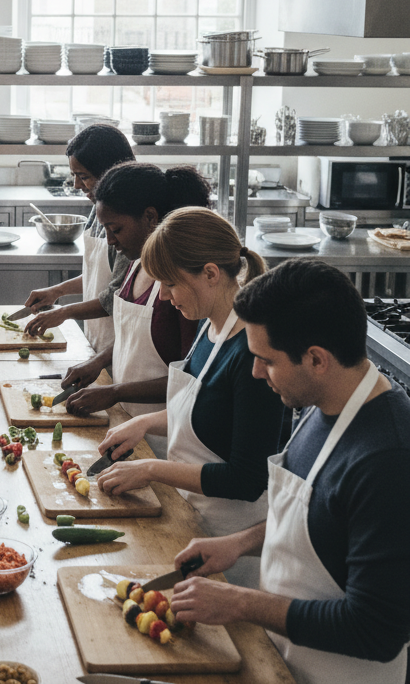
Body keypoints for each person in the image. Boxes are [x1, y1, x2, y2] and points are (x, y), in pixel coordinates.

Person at [169, 259, 410, 684]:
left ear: (316, 359)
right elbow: (320, 518)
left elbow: (376, 630)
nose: (256, 371)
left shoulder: (387, 459)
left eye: (266, 360)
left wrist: (240, 603)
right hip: (282, 662)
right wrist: (240, 542)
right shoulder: (323, 405)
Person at [95, 208, 286, 586]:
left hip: (230, 546)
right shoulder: (209, 326)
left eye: (170, 283)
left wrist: (152, 469)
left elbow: (245, 480)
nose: (163, 296)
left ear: (211, 274)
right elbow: (207, 410)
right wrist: (144, 423)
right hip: (190, 521)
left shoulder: (253, 356)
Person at [64, 163, 211, 458]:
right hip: (126, 426)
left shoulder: (180, 287)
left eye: (116, 229)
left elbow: (188, 380)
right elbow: (138, 339)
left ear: (150, 217)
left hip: (164, 441)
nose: (110, 241)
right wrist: (100, 361)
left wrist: (116, 391)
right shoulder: (134, 264)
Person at [23, 124, 136, 350]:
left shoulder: (129, 220)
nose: (76, 185)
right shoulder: (98, 207)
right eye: (74, 175)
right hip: (96, 338)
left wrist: (65, 313)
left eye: (83, 176)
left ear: (108, 171)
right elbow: (99, 276)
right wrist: (58, 291)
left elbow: (118, 294)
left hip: (120, 344)